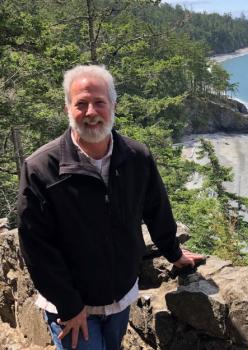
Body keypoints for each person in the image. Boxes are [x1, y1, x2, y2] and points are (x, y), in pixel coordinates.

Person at [17, 65, 205, 349]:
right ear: (68, 109)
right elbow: (36, 246)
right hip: (71, 306)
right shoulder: (42, 168)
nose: (91, 112)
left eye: (99, 102)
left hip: (121, 296)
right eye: (81, 104)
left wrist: (174, 252)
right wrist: (69, 305)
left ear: (113, 105)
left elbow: (156, 209)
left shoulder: (136, 157)